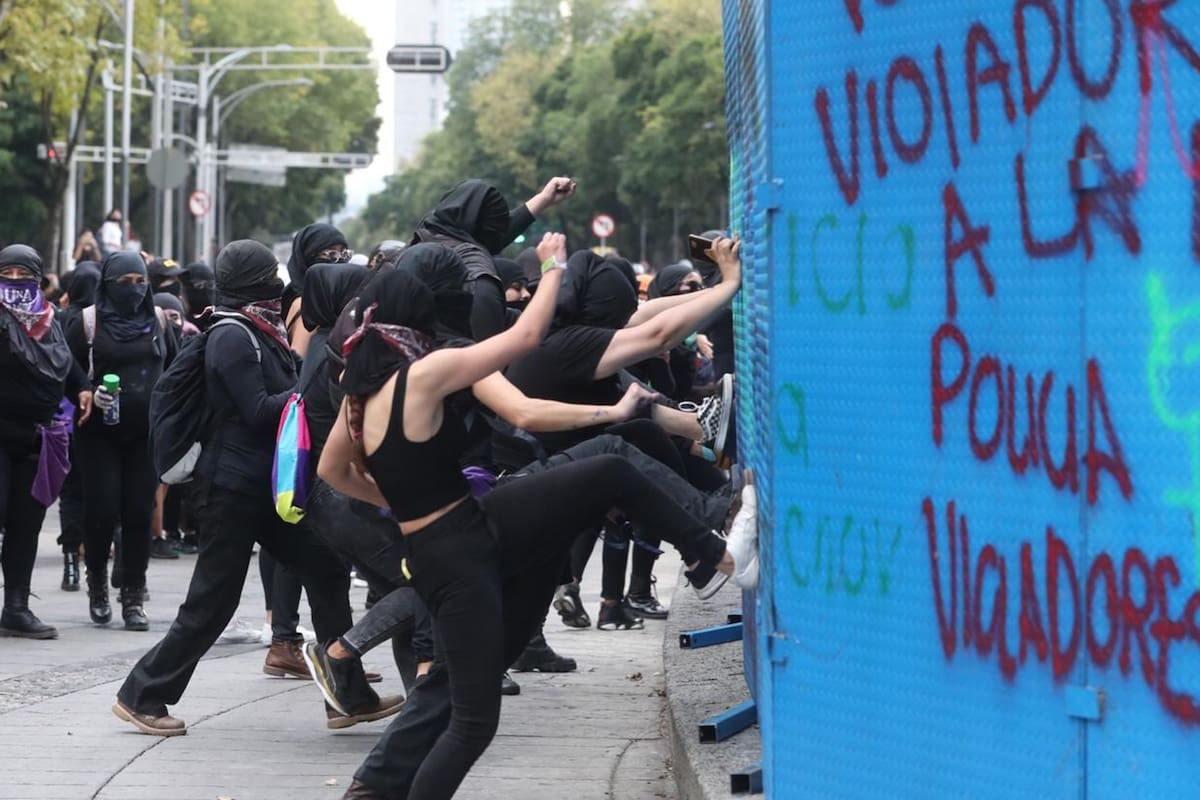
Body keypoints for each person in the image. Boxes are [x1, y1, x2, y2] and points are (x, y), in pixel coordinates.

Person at [318, 246, 756, 800]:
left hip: (459, 535)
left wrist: (401, 500)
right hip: (462, 555)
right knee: (473, 721)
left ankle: (706, 553)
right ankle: (716, 556)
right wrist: (551, 268)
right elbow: (523, 340)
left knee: (604, 471)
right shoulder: (425, 373)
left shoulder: (359, 399)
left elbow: (333, 469)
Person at [112, 240, 400, 737]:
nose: (277, 282)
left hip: (263, 486)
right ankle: (142, 694)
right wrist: (317, 386)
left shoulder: (259, 329)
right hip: (231, 488)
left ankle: (348, 697)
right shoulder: (231, 335)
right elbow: (261, 411)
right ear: (249, 281)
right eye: (266, 274)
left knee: (327, 570)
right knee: (212, 601)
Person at [503, 245, 741, 628]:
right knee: (620, 449)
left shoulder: (568, 332)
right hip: (522, 483)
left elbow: (649, 313)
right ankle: (709, 528)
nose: (624, 324)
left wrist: (726, 287)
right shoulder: (568, 345)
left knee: (641, 433)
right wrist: (727, 283)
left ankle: (700, 550)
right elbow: (658, 333)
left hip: (545, 472)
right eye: (618, 313)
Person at [65, 252, 178, 631]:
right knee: (101, 510)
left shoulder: (159, 321)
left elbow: (178, 370)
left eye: (139, 280)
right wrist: (87, 390)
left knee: (137, 512)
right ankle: (96, 579)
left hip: (144, 434)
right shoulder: (88, 322)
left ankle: (133, 593)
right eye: (123, 281)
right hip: (98, 433)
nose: (133, 289)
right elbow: (66, 366)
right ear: (107, 283)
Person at [0, 244, 93, 638]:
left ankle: (16, 608)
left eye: (25, 276)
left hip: (38, 435)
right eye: (8, 275)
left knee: (26, 523)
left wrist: (83, 388)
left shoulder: (47, 318)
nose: (17, 283)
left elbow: (65, 360)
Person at [409, 177, 576, 342]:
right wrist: (553, 266)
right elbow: (490, 348)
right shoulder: (478, 275)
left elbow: (494, 233)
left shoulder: (425, 239)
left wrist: (544, 199)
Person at [54, 262, 102, 590]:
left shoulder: (58, 320)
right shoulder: (104, 320)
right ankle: (97, 553)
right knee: (101, 490)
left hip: (62, 416)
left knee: (70, 490)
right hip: (97, 416)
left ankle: (71, 560)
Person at [283, 222, 350, 357]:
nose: (339, 261)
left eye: (344, 254)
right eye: (331, 254)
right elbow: (299, 362)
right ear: (308, 257)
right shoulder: (307, 303)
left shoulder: (330, 301)